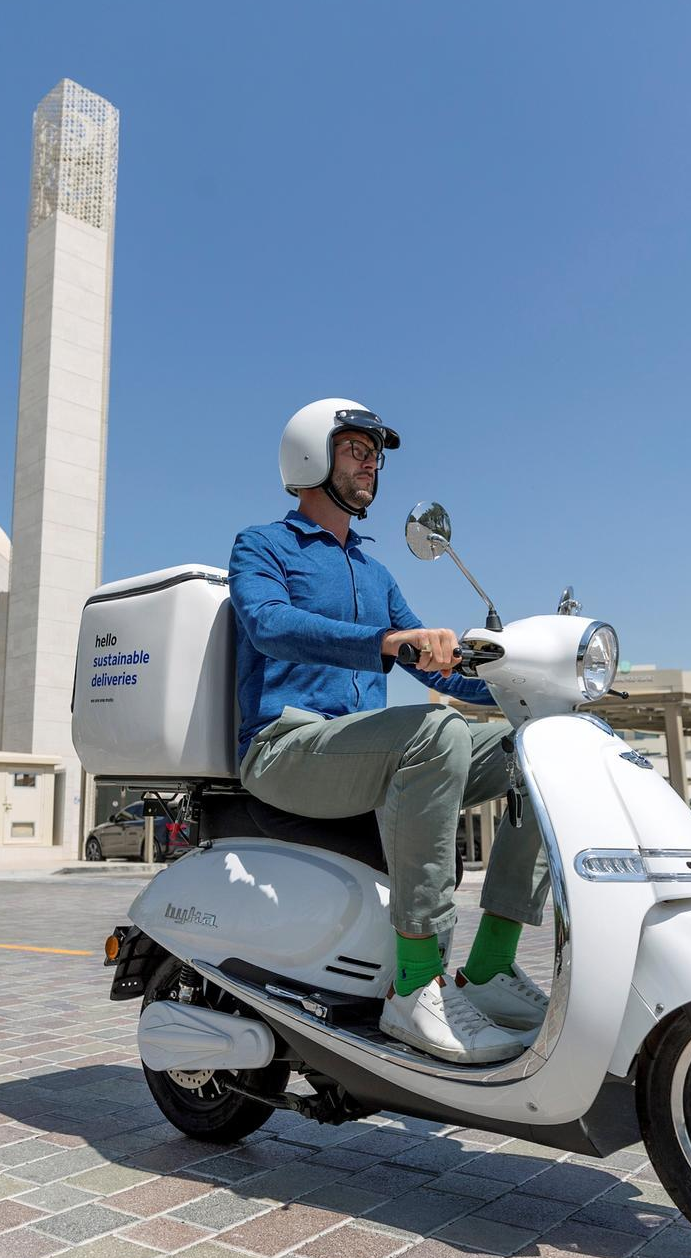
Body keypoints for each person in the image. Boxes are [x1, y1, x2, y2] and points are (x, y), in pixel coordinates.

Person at [227, 398, 551, 1064]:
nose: (372, 463)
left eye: (376, 454)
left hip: (366, 751)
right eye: (356, 449)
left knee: (538, 751)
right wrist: (388, 642)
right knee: (436, 732)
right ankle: (415, 985)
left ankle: (489, 966)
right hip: (284, 748)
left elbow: (436, 665)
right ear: (312, 455)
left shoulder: (375, 573)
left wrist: (519, 681)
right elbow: (268, 625)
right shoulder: (263, 546)